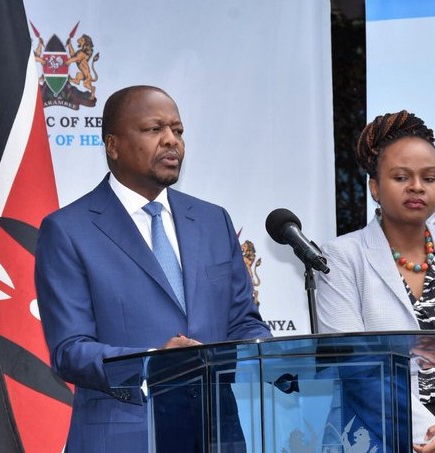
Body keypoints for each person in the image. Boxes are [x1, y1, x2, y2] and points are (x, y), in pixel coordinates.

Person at [35, 85, 271, 452]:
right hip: (125, 437)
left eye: (177, 131)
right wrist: (153, 364)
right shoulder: (69, 230)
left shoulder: (212, 220)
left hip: (216, 435)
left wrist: (271, 354)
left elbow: (243, 321)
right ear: (112, 145)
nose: (171, 141)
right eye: (154, 129)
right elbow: (70, 349)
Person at [316, 110, 435, 453]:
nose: (417, 186)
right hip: (383, 436)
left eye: (429, 178)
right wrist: (431, 437)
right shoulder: (341, 258)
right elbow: (356, 368)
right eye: (401, 177)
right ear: (375, 187)